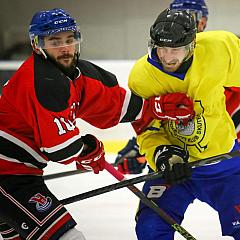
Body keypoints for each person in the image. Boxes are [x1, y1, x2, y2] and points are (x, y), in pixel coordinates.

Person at [0, 8, 194, 240]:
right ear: (37, 44)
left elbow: (112, 104)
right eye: (54, 41)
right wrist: (89, 149)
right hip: (9, 177)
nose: (64, 48)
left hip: (21, 172)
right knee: (68, 237)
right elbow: (60, 149)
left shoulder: (76, 74)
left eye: (69, 40)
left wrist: (154, 107)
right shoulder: (44, 81)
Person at [116, 1, 240, 239]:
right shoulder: (141, 76)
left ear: (192, 44)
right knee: (150, 228)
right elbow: (147, 127)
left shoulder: (220, 47)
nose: (167, 58)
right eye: (161, 48)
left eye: (176, 49)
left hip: (224, 165)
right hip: (175, 171)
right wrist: (161, 154)